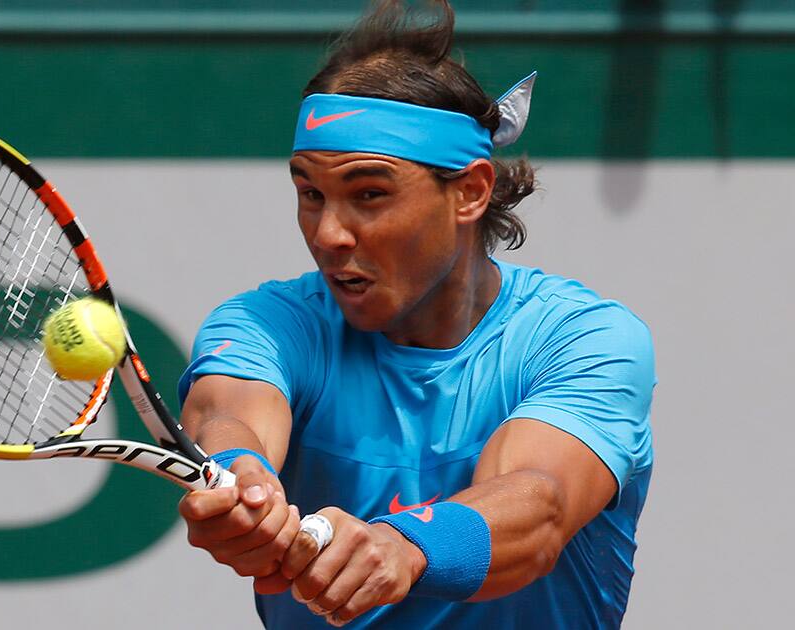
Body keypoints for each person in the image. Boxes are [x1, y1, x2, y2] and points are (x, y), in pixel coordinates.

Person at [176, 1, 655, 628]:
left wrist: (404, 547)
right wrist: (245, 481)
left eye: (369, 194)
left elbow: (540, 504)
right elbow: (229, 413)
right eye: (310, 194)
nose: (329, 234)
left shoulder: (587, 339)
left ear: (471, 191)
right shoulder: (268, 324)